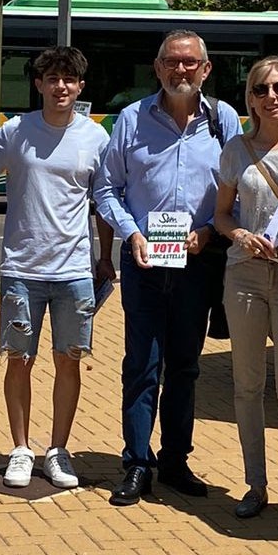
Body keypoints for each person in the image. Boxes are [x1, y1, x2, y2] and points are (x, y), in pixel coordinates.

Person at [93, 30, 242, 507]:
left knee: (185, 366)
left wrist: (210, 233)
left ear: (206, 69)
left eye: (189, 63)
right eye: (171, 63)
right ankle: (137, 463)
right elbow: (107, 189)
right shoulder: (132, 119)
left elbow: (240, 192)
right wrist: (132, 233)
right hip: (144, 263)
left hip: (198, 263)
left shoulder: (225, 122)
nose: (181, 70)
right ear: (157, 68)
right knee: (141, 366)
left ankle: (175, 460)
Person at [0, 46, 110, 489]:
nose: (61, 87)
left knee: (69, 362)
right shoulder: (17, 131)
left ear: (80, 87)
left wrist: (106, 259)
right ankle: (21, 448)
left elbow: (104, 200)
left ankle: (58, 450)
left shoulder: (95, 138)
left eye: (69, 80)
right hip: (22, 267)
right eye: (52, 79)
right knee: (19, 359)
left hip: (74, 270)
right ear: (38, 84)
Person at [212, 57, 278, 521]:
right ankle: (255, 484)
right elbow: (221, 214)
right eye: (261, 89)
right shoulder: (236, 150)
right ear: (250, 98)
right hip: (245, 276)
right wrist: (238, 235)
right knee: (248, 385)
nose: (271, 96)